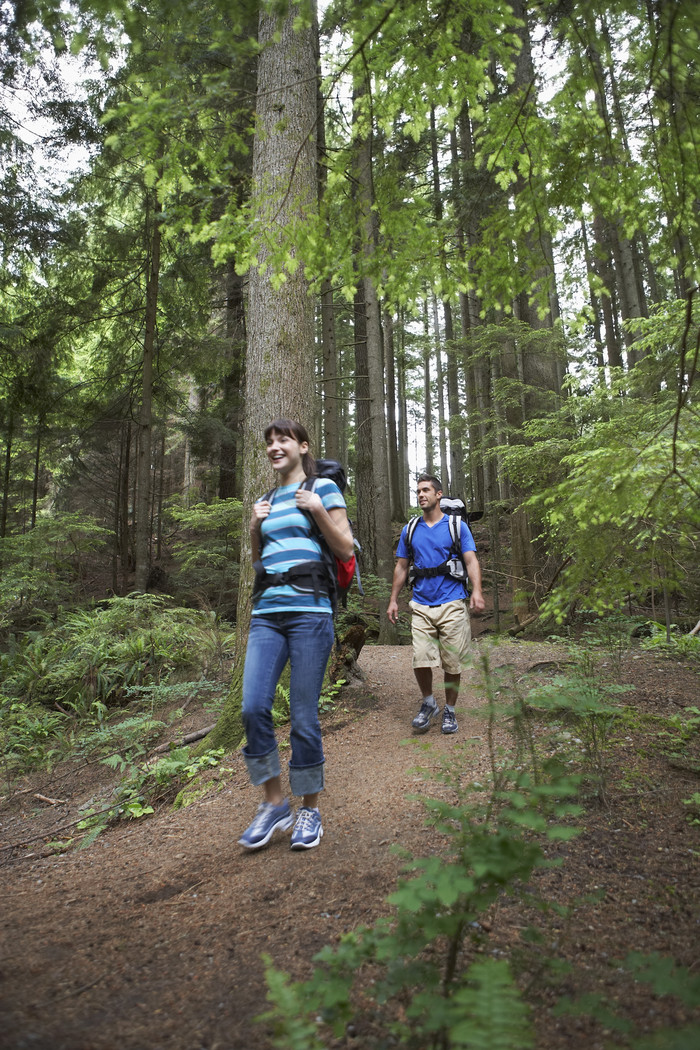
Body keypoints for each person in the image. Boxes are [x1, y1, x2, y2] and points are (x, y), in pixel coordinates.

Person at [238, 418, 354, 851]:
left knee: (304, 718)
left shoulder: (322, 490)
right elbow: (259, 565)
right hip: (268, 614)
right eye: (269, 441)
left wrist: (318, 510)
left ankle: (310, 809)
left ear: (303, 446)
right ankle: (273, 803)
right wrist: (254, 527)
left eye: (283, 439)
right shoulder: (264, 500)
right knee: (252, 708)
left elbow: (345, 548)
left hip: (310, 613)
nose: (274, 446)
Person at [387, 474, 485, 735]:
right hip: (420, 604)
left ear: (439, 494)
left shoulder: (457, 527)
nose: (421, 495)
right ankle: (429, 703)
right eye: (418, 491)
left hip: (452, 602)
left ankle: (450, 710)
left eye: (426, 490)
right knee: (420, 658)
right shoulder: (410, 529)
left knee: (453, 662)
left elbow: (471, 560)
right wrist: (394, 600)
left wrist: (477, 590)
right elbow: (401, 566)